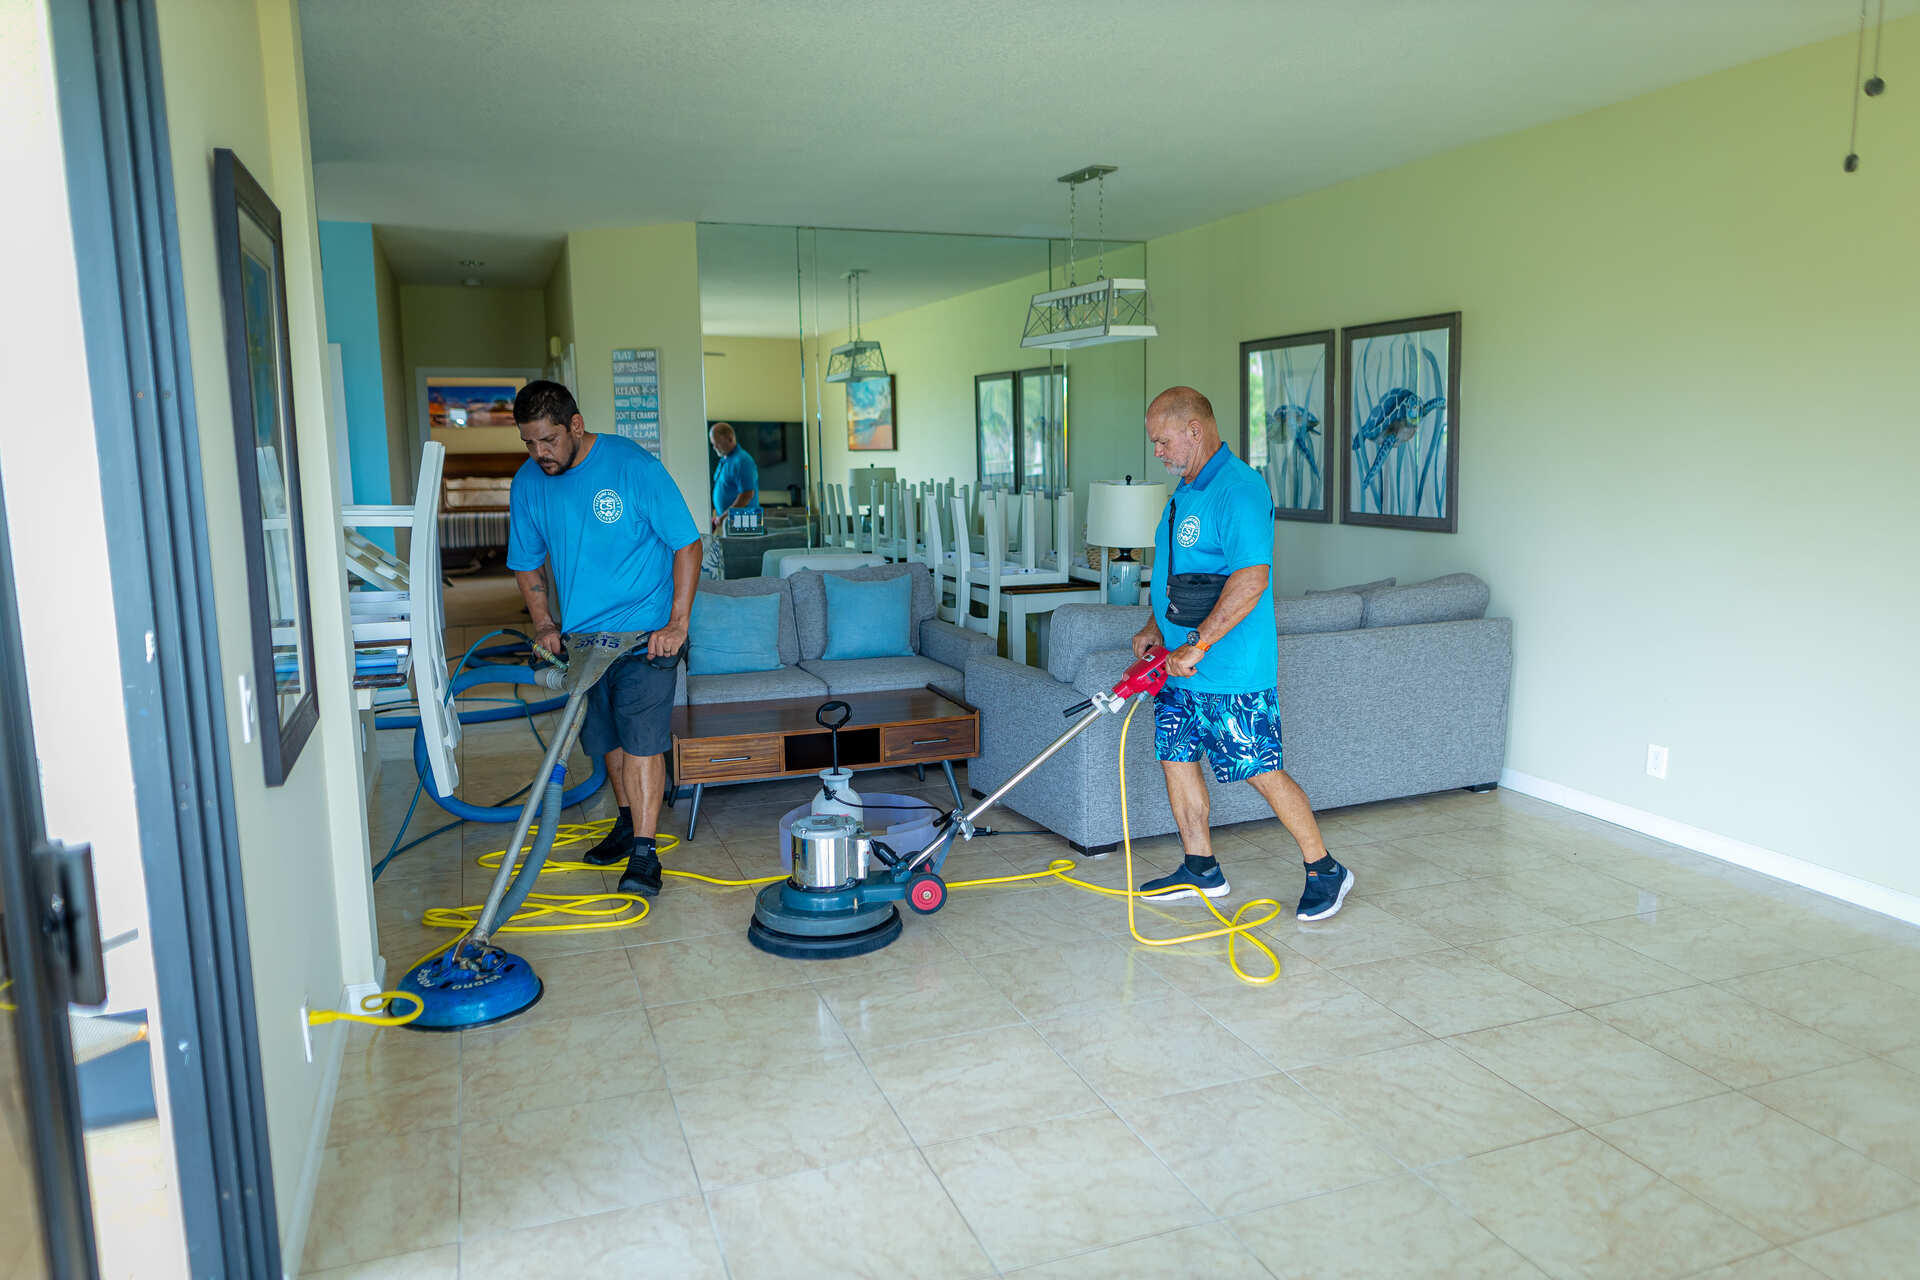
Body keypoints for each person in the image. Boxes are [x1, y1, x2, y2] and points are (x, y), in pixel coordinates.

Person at [1130, 386, 1355, 921]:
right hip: (1179, 665)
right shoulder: (1185, 491)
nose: (1157, 452)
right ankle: (1200, 867)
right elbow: (1179, 576)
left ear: (1194, 430)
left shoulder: (1239, 489)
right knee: (1176, 758)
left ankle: (1326, 868)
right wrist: (1154, 630)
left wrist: (1199, 644)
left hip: (1230, 670)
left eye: (1162, 441)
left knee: (1259, 769)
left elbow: (1251, 580)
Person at [507, 381, 701, 897]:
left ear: (575, 425)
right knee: (607, 740)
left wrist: (677, 624)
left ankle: (644, 853)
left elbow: (686, 544)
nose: (539, 453)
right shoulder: (528, 483)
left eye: (547, 440)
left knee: (640, 742)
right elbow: (527, 566)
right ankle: (624, 821)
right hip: (584, 640)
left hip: (645, 634)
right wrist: (546, 625)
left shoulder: (631, 465)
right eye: (528, 443)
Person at [709, 422, 760, 528]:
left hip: (744, 523)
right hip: (730, 523)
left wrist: (723, 517)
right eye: (713, 444)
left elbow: (747, 495)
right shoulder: (725, 459)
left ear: (730, 438)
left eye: (717, 443)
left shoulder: (742, 460)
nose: (714, 447)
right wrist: (719, 518)